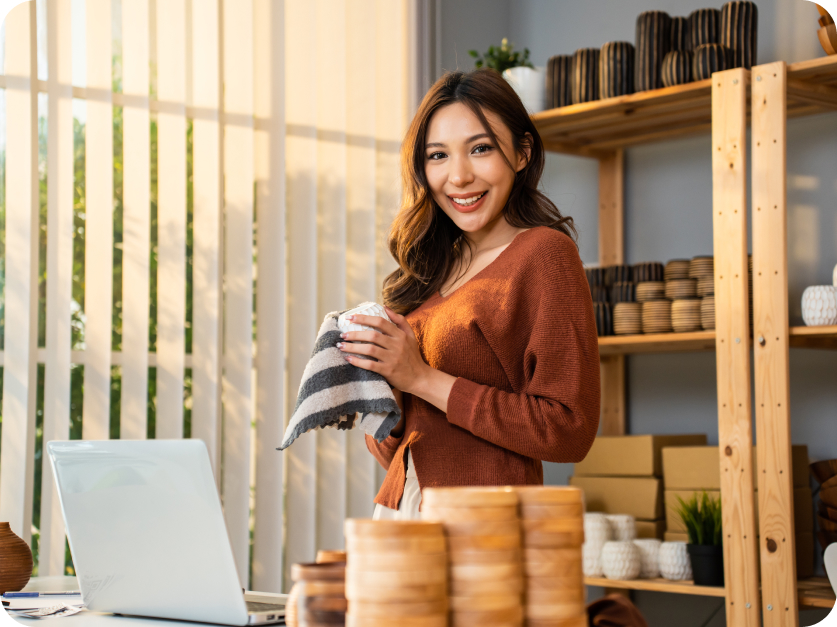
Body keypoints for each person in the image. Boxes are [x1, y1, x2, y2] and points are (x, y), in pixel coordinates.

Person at [336, 68, 600, 520]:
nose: (458, 176)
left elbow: (568, 429)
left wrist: (420, 378)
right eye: (437, 155)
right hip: (402, 512)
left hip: (484, 528)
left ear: (521, 153)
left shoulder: (544, 255)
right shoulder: (428, 272)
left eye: (480, 149)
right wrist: (385, 395)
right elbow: (398, 450)